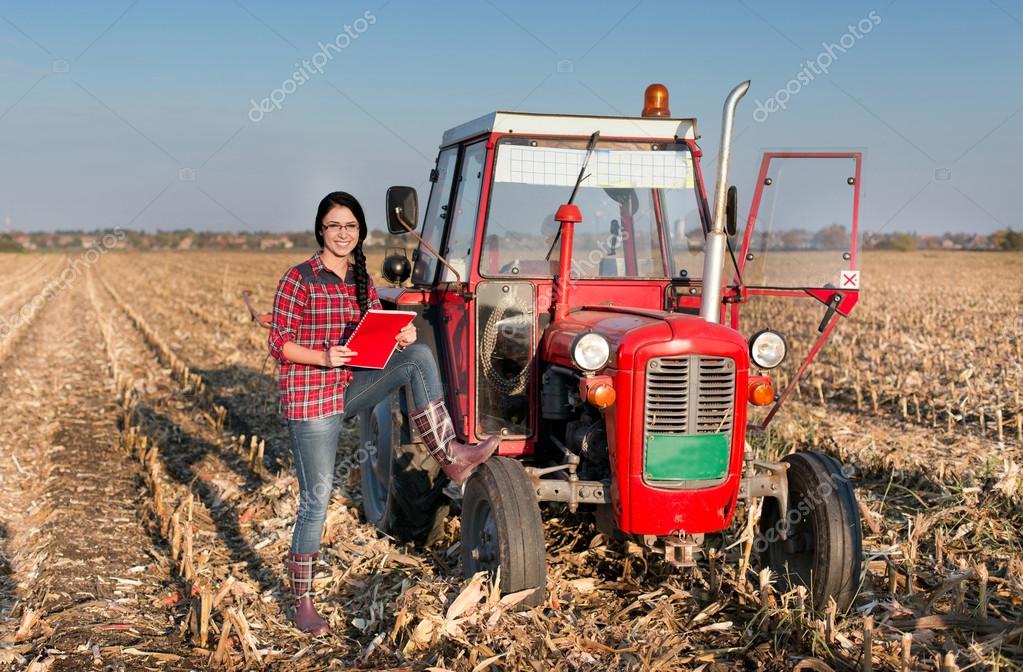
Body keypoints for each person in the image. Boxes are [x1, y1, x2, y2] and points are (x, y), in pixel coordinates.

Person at [268, 191, 499, 636]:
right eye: (334, 225)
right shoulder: (299, 278)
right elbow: (280, 343)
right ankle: (303, 603)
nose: (342, 234)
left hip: (348, 388)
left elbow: (371, 331)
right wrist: (324, 357)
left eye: (351, 226)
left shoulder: (360, 279)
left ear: (360, 232)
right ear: (321, 229)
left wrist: (400, 336)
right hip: (311, 397)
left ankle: (449, 452)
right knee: (316, 503)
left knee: (420, 358)